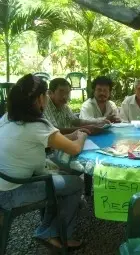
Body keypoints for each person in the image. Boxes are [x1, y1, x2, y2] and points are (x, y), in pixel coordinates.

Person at [0, 74, 86, 250]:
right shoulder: (38, 125)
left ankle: (48, 230)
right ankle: (59, 235)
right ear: (40, 98)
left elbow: (54, 140)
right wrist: (82, 135)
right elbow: (75, 149)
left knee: (60, 179)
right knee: (75, 183)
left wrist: (71, 136)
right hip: (15, 192)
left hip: (5, 185)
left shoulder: (7, 118)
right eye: (45, 94)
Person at [44, 78, 108, 135]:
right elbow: (52, 130)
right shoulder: (44, 105)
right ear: (50, 93)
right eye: (61, 93)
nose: (65, 97)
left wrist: (97, 122)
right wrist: (84, 128)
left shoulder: (64, 106)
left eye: (67, 93)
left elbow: (75, 121)